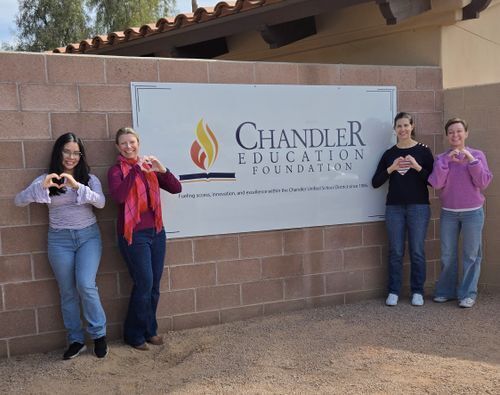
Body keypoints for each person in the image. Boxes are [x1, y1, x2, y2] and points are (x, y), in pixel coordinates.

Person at [14, 132, 108, 360]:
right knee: (67, 292)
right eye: (67, 151)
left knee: (85, 284)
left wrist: (77, 186)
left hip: (88, 237)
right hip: (59, 241)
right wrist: (41, 188)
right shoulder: (45, 179)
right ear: (59, 152)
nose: (71, 157)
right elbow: (18, 201)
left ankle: (98, 335)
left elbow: (101, 203)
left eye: (76, 153)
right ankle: (76, 340)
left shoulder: (89, 178)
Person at [108, 127, 182, 350]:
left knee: (154, 285)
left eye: (132, 142)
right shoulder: (116, 171)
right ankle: (133, 334)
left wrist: (162, 170)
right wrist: (135, 171)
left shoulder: (150, 168)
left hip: (156, 232)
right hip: (133, 235)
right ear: (117, 147)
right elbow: (120, 197)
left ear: (138, 143)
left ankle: (150, 330)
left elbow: (176, 187)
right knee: (144, 283)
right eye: (123, 143)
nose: (128, 147)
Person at [429, 118, 492, 308]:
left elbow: (483, 182)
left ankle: (467, 294)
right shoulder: (441, 158)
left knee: (471, 255)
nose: (455, 135)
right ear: (447, 136)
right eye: (451, 132)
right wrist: (447, 162)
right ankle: (446, 291)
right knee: (447, 255)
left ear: (466, 133)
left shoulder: (477, 155)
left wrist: (471, 160)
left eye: (459, 131)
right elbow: (436, 183)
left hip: (473, 213)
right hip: (449, 213)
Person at [372, 112, 434, 307]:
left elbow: (433, 181)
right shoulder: (389, 153)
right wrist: (391, 168)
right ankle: (394, 291)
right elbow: (375, 182)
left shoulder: (423, 151)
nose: (403, 129)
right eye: (399, 126)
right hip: (394, 208)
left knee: (417, 251)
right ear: (394, 130)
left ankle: (417, 291)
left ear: (412, 126)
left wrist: (416, 167)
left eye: (406, 125)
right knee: (396, 251)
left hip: (419, 207)